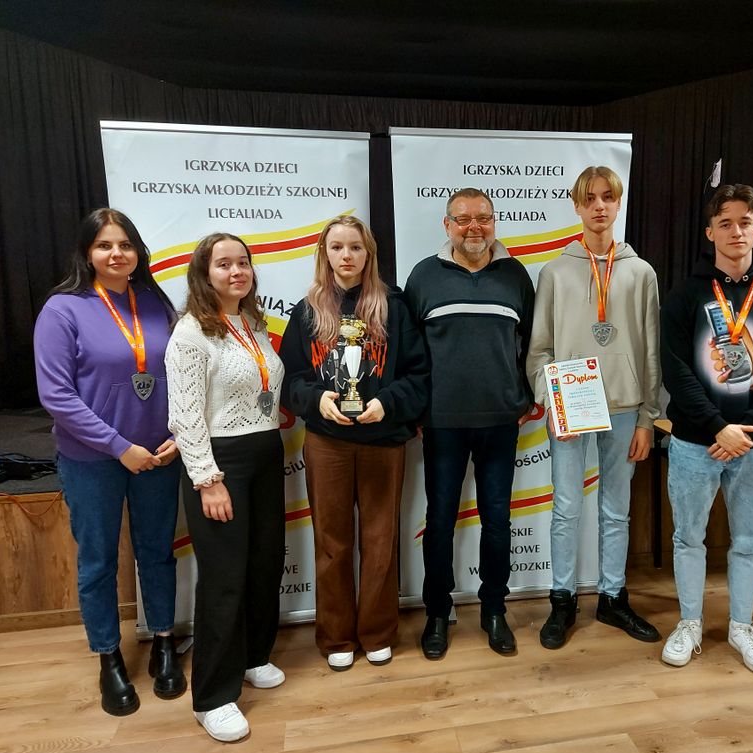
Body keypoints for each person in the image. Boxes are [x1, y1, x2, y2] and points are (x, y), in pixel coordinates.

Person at [34, 208, 186, 716]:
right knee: (98, 560)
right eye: (104, 245)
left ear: (138, 251)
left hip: (159, 455)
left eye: (125, 244)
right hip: (92, 459)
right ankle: (109, 656)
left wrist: (178, 435)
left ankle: (163, 641)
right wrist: (120, 446)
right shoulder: (63, 310)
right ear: (87, 253)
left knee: (157, 552)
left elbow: (183, 375)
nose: (116, 253)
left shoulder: (156, 303)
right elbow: (57, 396)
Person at [659, 184, 753, 674]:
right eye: (725, 223)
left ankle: (742, 625)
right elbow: (676, 371)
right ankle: (690, 623)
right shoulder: (684, 296)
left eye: (745, 222)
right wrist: (718, 427)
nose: (736, 231)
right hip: (694, 443)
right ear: (710, 232)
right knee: (688, 538)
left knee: (747, 541)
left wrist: (749, 430)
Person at [279, 216, 428, 671]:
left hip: (384, 440)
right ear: (324, 253)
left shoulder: (394, 307)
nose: (346, 255)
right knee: (332, 541)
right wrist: (317, 399)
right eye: (337, 247)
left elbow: (419, 375)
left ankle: (378, 632)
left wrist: (388, 402)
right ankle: (337, 635)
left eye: (356, 247)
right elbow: (290, 379)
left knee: (381, 540)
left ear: (369, 254)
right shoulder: (307, 312)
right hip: (328, 443)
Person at [527, 165, 663, 650]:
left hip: (625, 407)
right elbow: (539, 349)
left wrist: (648, 416)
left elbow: (651, 350)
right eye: (590, 198)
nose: (599, 206)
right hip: (571, 407)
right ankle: (562, 599)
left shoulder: (641, 272)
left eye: (608, 197)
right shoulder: (555, 272)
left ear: (618, 202)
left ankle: (612, 597)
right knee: (565, 508)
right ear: (577, 206)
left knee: (616, 510)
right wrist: (551, 398)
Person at [404, 188, 535, 659]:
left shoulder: (515, 275)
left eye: (483, 218)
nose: (474, 228)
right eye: (463, 219)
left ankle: (494, 610)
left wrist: (525, 397)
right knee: (440, 520)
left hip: (500, 420)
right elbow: (409, 351)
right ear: (447, 225)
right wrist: (417, 409)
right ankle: (438, 613)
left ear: (494, 222)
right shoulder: (424, 276)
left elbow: (532, 342)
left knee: (497, 520)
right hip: (442, 423)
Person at [165, 233, 286, 742]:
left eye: (243, 262)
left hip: (266, 452)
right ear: (204, 273)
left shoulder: (253, 323)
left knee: (264, 562)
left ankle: (253, 656)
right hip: (221, 463)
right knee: (224, 577)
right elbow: (185, 415)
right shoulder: (191, 332)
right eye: (223, 264)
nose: (236, 271)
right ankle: (213, 696)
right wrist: (207, 479)